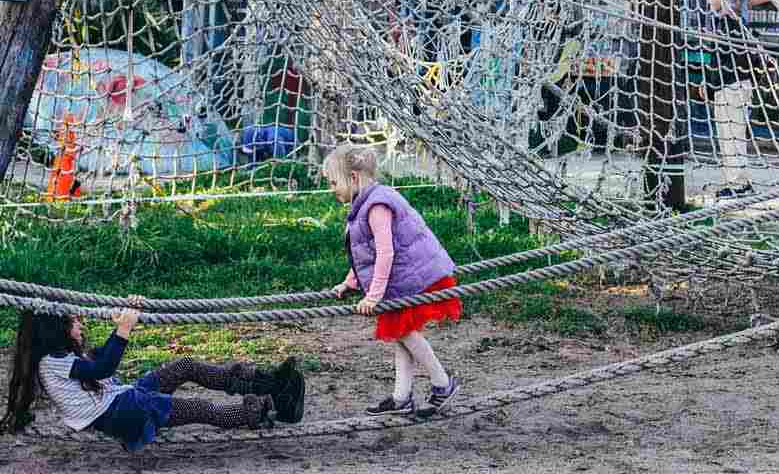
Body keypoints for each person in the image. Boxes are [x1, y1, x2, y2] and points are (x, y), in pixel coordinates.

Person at [1, 302, 305, 450]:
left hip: (125, 399)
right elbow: (103, 368)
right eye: (74, 322)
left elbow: (102, 362)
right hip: (123, 412)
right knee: (199, 409)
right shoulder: (52, 363)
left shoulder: (65, 357)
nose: (80, 325)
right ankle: (271, 410)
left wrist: (123, 319)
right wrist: (124, 330)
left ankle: (269, 383)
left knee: (185, 365)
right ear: (55, 331)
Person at [325, 144, 461, 415]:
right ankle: (402, 397)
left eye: (333, 182)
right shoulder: (363, 204)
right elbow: (364, 255)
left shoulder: (377, 205)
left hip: (416, 277)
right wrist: (350, 282)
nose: (331, 189)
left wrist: (373, 296)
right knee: (401, 335)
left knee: (404, 332)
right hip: (403, 279)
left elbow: (385, 253)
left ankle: (442, 383)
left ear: (353, 178)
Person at [706, 0, 757, 198]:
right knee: (736, 135)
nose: (710, 2)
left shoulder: (727, 26)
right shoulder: (739, 25)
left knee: (729, 136)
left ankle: (735, 183)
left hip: (730, 86)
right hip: (739, 85)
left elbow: (723, 61)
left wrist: (710, 84)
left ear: (722, 0)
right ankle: (742, 181)